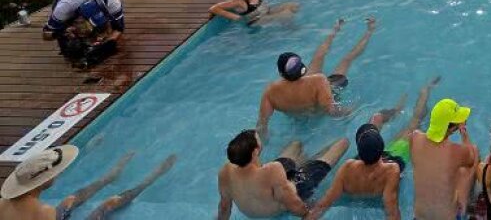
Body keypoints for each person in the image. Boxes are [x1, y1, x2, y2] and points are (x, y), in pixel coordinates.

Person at [305, 77, 440, 220]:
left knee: (376, 119)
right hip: (388, 164)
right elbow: (392, 210)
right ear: (381, 150)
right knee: (414, 124)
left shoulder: (347, 167)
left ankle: (397, 109)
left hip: (362, 176)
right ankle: (425, 92)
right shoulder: (391, 170)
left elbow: (323, 205)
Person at [257, 17, 376, 139]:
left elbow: (262, 125)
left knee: (318, 57)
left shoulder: (270, 92)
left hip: (299, 119)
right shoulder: (318, 80)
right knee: (346, 59)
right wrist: (356, 108)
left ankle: (335, 30)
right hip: (322, 99)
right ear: (302, 68)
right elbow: (333, 112)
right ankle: (369, 32)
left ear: (281, 74)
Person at [1, 147, 175, 220]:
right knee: (110, 202)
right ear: (43, 181)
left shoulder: (3, 202)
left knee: (70, 199)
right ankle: (150, 180)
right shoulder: (43, 212)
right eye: (54, 173)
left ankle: (108, 178)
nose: (57, 174)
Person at [217, 130, 348, 219]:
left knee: (296, 145)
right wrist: (308, 214)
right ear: (255, 152)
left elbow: (224, 207)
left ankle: (306, 160)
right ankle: (312, 162)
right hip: (298, 186)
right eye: (258, 140)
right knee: (342, 143)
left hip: (267, 190)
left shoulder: (226, 172)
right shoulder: (273, 170)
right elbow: (293, 203)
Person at [409, 98, 480, 220]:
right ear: (451, 128)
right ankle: (467, 206)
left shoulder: (414, 138)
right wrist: (463, 131)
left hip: (419, 217)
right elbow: (472, 157)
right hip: (448, 217)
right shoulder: (456, 151)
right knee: (472, 161)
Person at [43, 0, 124, 66]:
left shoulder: (112, 2)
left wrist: (107, 45)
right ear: (78, 20)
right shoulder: (63, 8)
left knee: (107, 46)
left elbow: (119, 28)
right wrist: (62, 32)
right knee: (69, 49)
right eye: (95, 32)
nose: (98, 38)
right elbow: (46, 34)